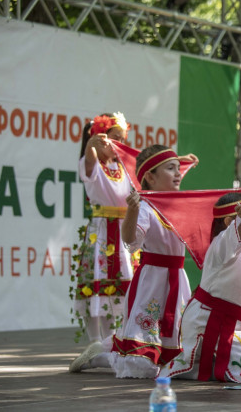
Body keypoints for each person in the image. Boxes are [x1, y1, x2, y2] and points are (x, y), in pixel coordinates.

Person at [69, 145, 195, 378]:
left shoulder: (181, 205)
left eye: (179, 169)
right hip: (153, 282)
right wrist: (132, 212)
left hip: (178, 282)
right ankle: (99, 357)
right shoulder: (145, 207)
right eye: (171, 169)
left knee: (181, 355)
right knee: (142, 364)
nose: (178, 173)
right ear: (149, 177)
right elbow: (129, 238)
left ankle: (108, 346)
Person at [159, 192, 241, 382]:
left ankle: (206, 363)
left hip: (236, 323)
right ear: (230, 222)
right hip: (208, 320)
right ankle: (200, 364)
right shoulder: (222, 243)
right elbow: (234, 238)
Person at [73, 112, 135, 346]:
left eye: (122, 138)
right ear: (101, 137)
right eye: (114, 137)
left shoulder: (124, 168)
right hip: (101, 231)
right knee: (96, 282)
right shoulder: (92, 166)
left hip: (122, 231)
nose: (119, 143)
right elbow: (90, 158)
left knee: (119, 286)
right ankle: (94, 342)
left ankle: (111, 340)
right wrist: (91, 144)